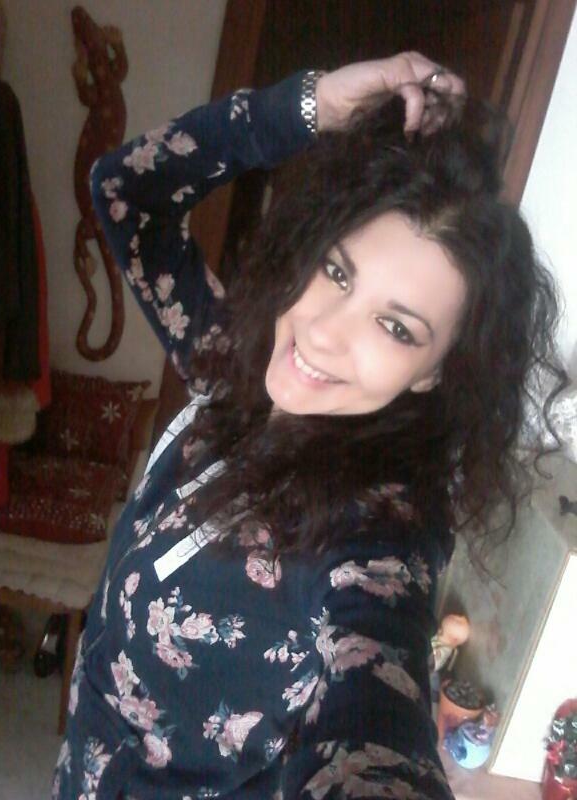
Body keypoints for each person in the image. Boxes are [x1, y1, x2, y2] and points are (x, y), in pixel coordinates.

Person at [52, 52, 565, 799]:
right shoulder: (234, 370)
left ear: (435, 372)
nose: (322, 332)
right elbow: (125, 191)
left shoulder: (377, 531)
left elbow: (376, 715)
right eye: (337, 272)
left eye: (395, 326)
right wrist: (311, 108)